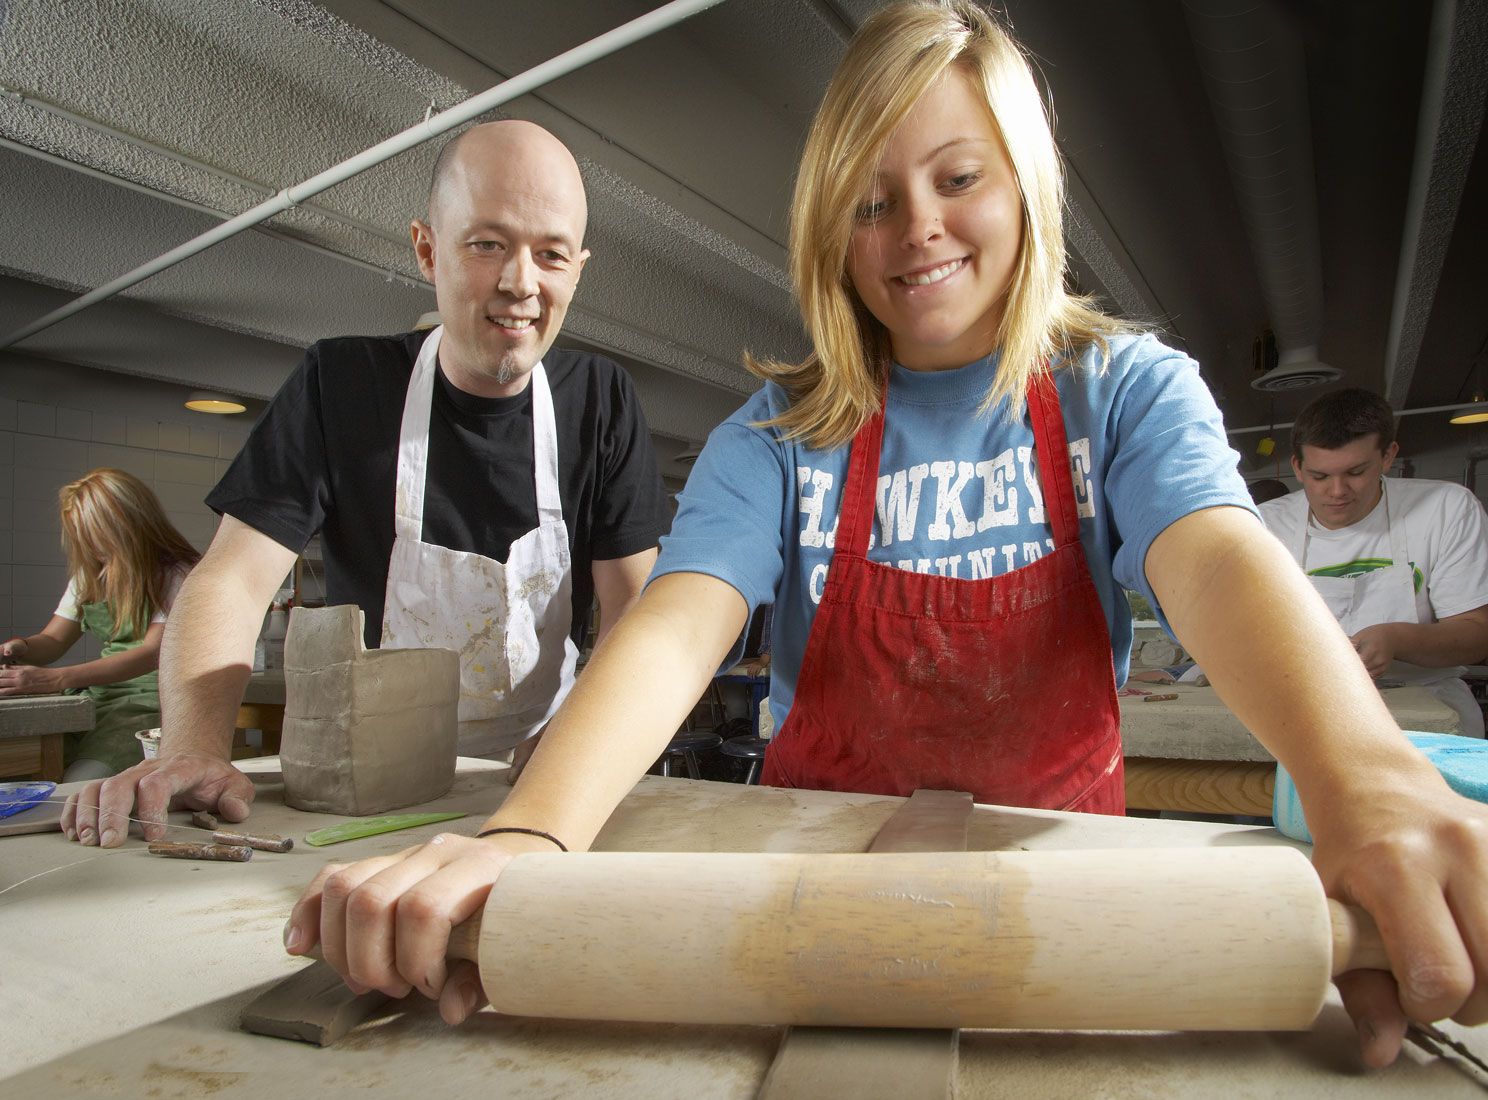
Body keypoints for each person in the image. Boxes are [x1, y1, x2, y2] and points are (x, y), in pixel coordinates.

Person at [286, 1, 1487, 1068]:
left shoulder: (1118, 393)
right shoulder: (784, 432)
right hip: (811, 896)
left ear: (1025, 181)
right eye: (871, 200)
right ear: (830, 229)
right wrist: (530, 830)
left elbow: (1220, 556)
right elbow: (675, 621)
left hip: (1059, 895)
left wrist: (1366, 779)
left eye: (958, 178)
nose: (917, 227)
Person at [62, 120, 668, 843]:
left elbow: (635, 607)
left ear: (578, 268)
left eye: (551, 255)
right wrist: (194, 748)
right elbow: (233, 579)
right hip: (371, 784)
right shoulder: (340, 383)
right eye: (487, 244)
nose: (521, 283)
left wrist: (579, 741)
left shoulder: (601, 399)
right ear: (426, 249)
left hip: (548, 772)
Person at [1260, 387, 1488, 736]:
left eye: (1355, 472)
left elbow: (1476, 635)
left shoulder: (1445, 508)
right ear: (1298, 467)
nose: (1337, 491)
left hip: (1427, 704)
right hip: (1307, 705)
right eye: (1319, 476)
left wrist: (1397, 639)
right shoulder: (1265, 525)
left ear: (1387, 456)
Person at [0, 468, 199, 779]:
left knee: (82, 780)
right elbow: (52, 642)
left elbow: (151, 653)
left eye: (95, 534)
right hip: (103, 695)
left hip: (154, 700)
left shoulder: (177, 574)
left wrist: (55, 679)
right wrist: (21, 648)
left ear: (128, 525)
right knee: (29, 767)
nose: (89, 545)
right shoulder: (90, 575)